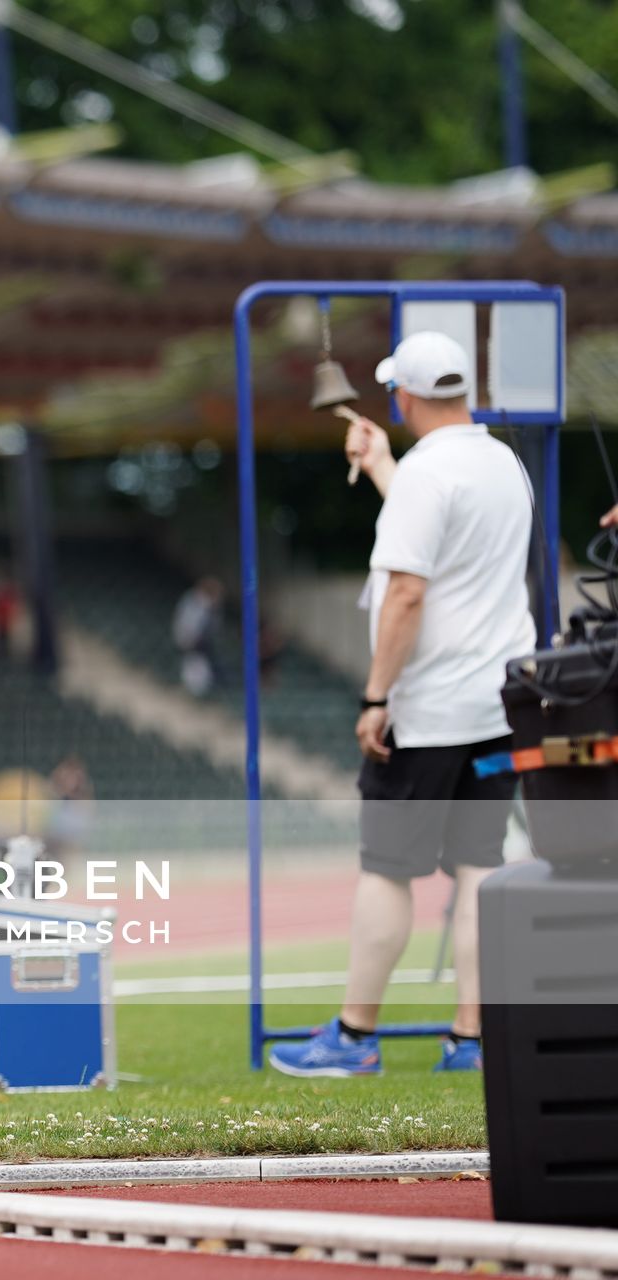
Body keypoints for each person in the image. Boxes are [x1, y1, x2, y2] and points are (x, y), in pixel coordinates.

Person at [272, 331, 533, 1079]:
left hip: (430, 710)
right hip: (496, 703)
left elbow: (410, 591)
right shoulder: (501, 462)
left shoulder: (428, 474)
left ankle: (354, 1038)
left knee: (387, 869)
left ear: (403, 395)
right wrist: (386, 464)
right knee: (482, 866)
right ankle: (470, 1041)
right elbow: (450, 552)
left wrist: (375, 695)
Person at [172, 577, 225, 696]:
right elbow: (188, 627)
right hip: (192, 644)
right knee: (195, 674)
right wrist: (191, 641)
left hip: (199, 644)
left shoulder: (208, 607)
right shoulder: (196, 604)